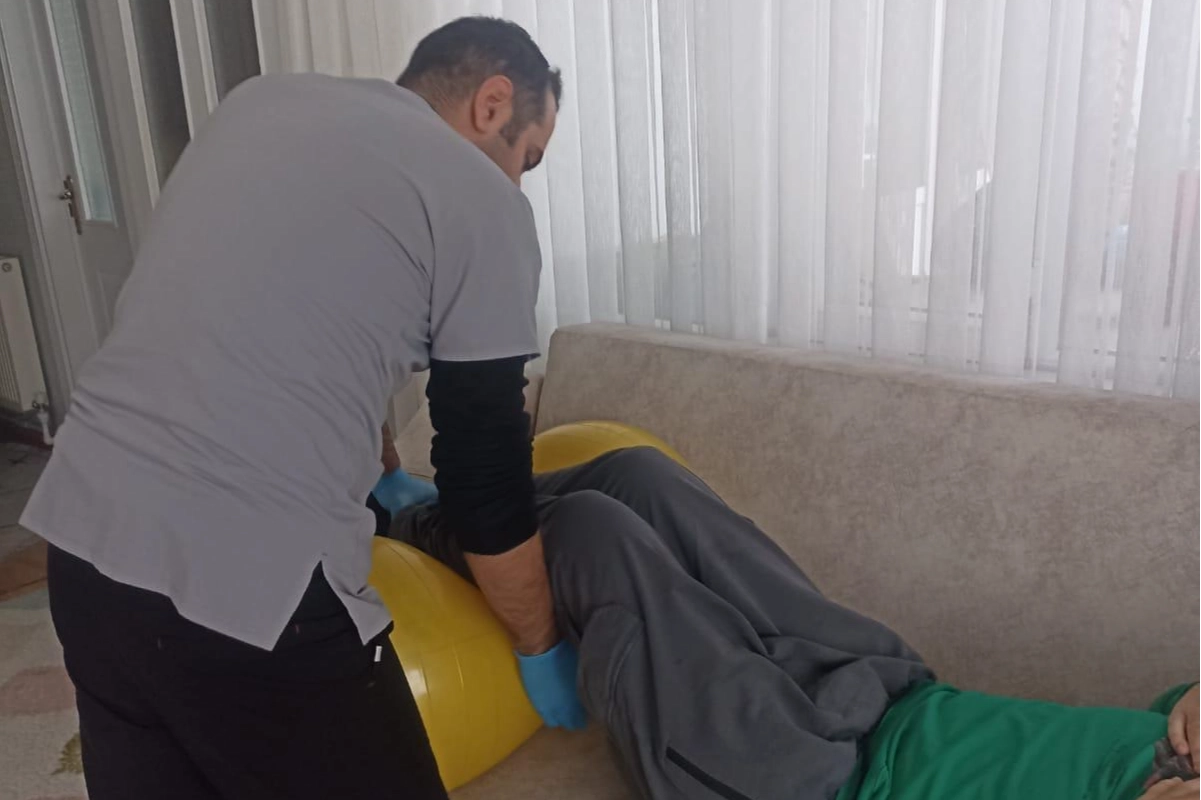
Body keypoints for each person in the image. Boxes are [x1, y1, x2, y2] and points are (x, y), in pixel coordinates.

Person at [20, 17, 585, 800]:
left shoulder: (259, 105)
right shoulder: (482, 198)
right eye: (529, 158)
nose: (518, 183)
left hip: (84, 546)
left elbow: (286, 318)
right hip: (250, 592)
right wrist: (538, 643)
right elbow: (486, 480)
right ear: (492, 104)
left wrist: (381, 465)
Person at [388, 446, 1201, 800]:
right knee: (639, 477)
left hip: (810, 781)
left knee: (591, 533)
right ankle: (446, 506)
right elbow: (1169, 704)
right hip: (892, 690)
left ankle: (401, 521)